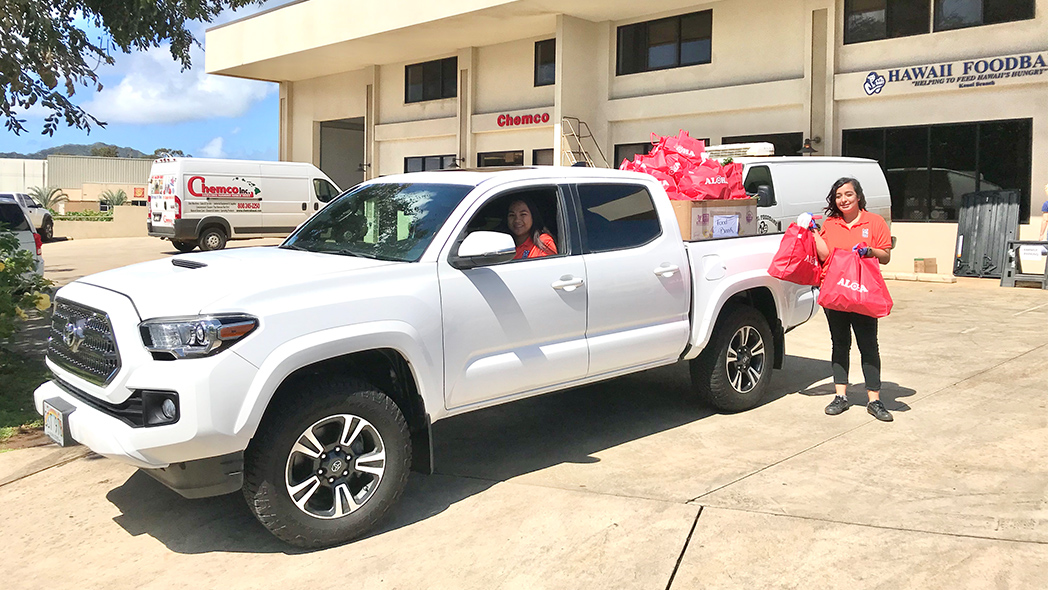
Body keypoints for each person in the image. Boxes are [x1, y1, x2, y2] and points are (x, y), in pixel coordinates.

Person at [806, 177, 894, 422]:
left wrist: (869, 250)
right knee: (840, 343)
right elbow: (825, 255)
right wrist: (813, 231)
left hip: (863, 293)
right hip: (836, 293)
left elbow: (885, 256)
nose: (843, 200)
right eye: (838, 196)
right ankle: (840, 396)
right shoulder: (831, 224)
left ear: (858, 197)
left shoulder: (873, 222)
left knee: (868, 345)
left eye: (848, 194)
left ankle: (874, 400)